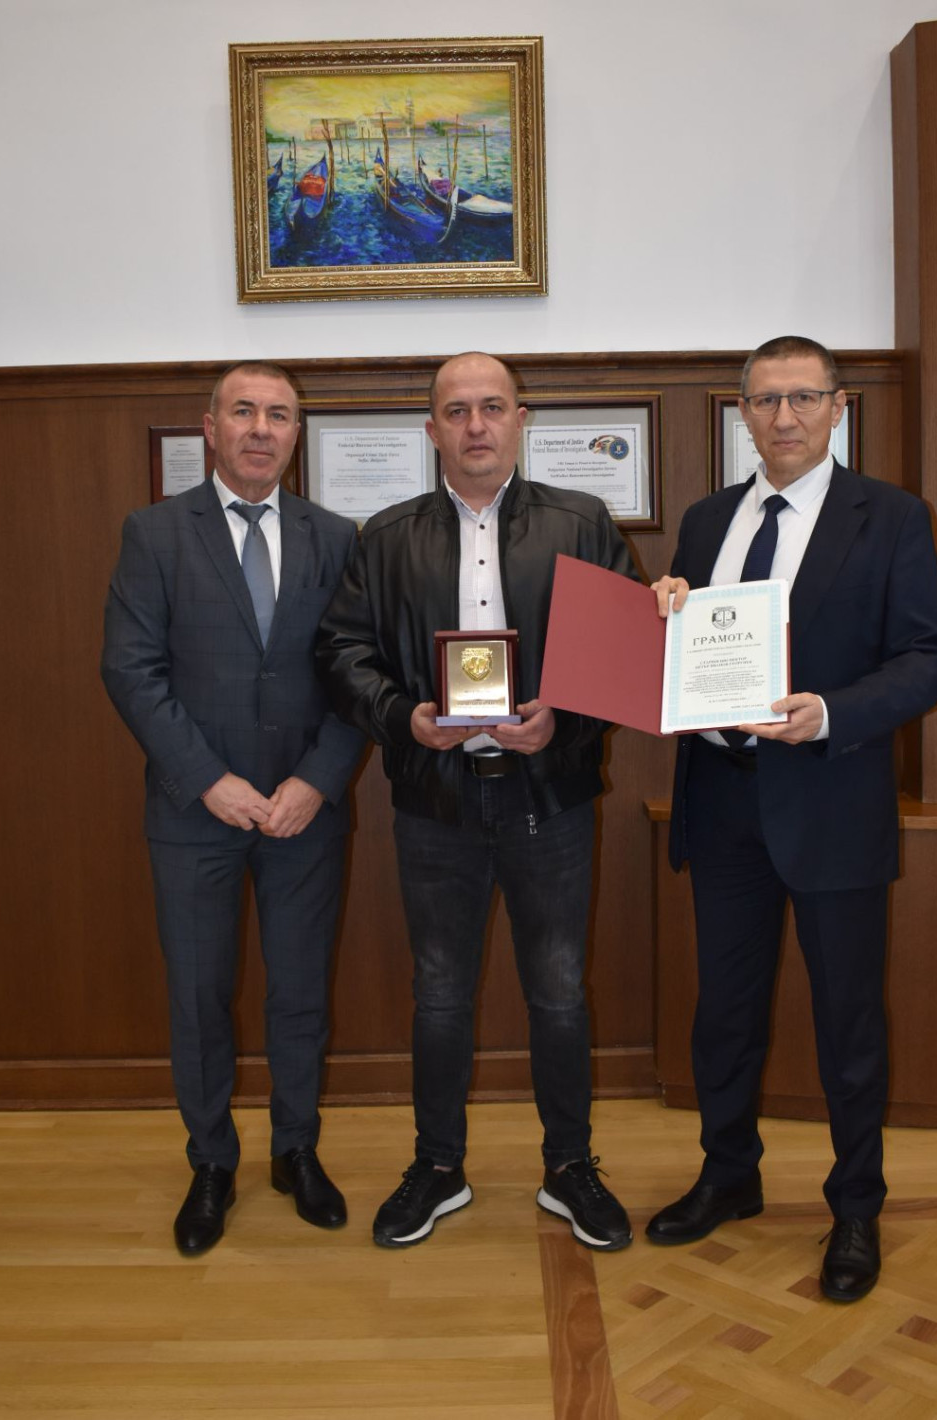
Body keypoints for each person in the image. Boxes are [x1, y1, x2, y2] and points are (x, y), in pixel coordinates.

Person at [649, 335, 937, 1301]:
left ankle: (855, 1207)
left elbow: (927, 658)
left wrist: (829, 714)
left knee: (848, 1022)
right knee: (725, 1014)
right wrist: (662, 614)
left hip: (832, 800)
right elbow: (685, 657)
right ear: (742, 412)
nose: (785, 416)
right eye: (766, 400)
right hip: (723, 802)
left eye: (804, 398)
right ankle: (728, 1175)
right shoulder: (706, 521)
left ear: (838, 407)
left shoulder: (892, 517)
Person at [315, 352, 636, 1251]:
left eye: (493, 407)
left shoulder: (581, 522)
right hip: (436, 804)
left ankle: (569, 1166)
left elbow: (621, 652)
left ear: (521, 420)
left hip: (549, 799)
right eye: (456, 412)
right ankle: (438, 1166)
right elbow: (342, 654)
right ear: (432, 430)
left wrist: (560, 723)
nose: (477, 426)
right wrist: (404, 719)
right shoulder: (386, 537)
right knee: (440, 994)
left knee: (560, 993)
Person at [101, 362, 365, 1256]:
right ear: (210, 428)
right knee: (199, 996)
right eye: (243, 411)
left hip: (302, 814)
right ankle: (211, 1161)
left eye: (278, 415)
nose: (261, 428)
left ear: (297, 434)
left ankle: (297, 1150)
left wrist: (317, 781)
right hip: (194, 814)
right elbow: (130, 669)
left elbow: (358, 673)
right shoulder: (154, 533)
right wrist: (208, 779)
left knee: (301, 993)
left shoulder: (337, 537)